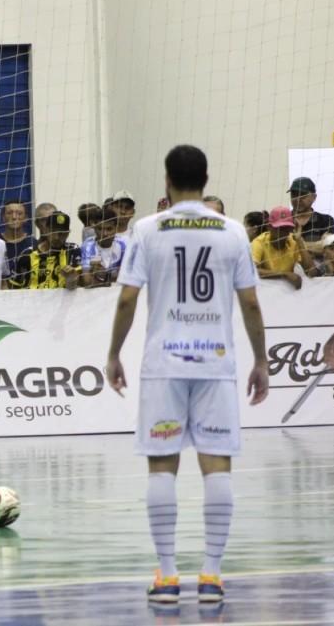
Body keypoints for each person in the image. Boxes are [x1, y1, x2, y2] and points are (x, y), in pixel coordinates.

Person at [105, 144, 268, 605]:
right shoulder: (233, 231)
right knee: (216, 465)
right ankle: (212, 575)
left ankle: (168, 576)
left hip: (164, 365)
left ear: (166, 180)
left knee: (163, 466)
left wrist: (114, 353)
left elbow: (126, 300)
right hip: (216, 363)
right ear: (207, 178)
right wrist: (261, 360)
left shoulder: (147, 229)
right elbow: (251, 302)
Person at [10, 211, 81, 289]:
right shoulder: (27, 255)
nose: (56, 237)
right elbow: (14, 287)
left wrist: (71, 278)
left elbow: (77, 285)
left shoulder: (72, 250)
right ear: (45, 230)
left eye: (61, 233)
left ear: (68, 233)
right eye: (53, 232)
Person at [251, 207, 312, 289]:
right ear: (269, 227)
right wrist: (284, 274)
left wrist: (299, 240)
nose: (284, 232)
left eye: (287, 228)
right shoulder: (259, 242)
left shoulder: (294, 241)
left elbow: (311, 271)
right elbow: (252, 270)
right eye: (279, 228)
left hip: (286, 294)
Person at [288, 177, 334, 262]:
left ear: (314, 197)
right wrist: (316, 245)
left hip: (319, 272)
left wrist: (296, 245)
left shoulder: (325, 220)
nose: (297, 199)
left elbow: (330, 249)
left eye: (302, 195)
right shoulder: (283, 221)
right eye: (294, 195)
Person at [81, 206, 127, 287]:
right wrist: (111, 278)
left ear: (116, 228)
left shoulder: (124, 245)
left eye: (109, 229)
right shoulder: (87, 245)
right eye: (100, 229)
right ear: (94, 228)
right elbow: (87, 281)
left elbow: (125, 279)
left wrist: (104, 276)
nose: (105, 234)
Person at [0, 200, 35, 279]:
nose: (14, 217)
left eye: (19, 213)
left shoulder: (33, 244)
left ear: (26, 218)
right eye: (9, 213)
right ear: (3, 218)